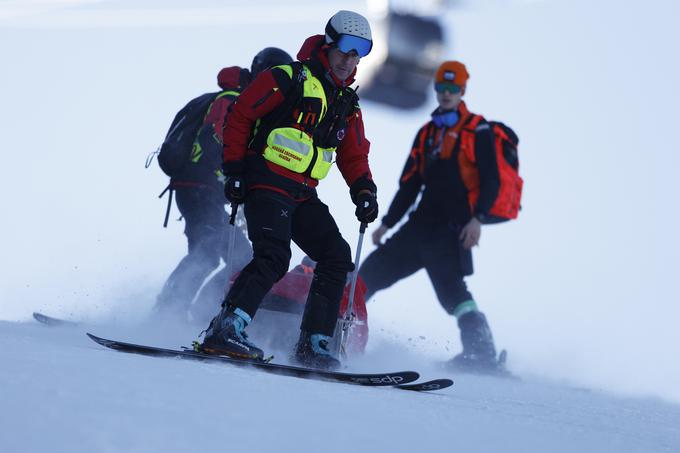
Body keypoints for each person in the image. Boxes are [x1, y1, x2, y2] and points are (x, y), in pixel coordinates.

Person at [198, 10, 379, 370]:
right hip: (265, 182)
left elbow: (353, 153)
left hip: (302, 193)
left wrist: (364, 190)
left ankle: (314, 343)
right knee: (274, 256)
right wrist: (234, 169)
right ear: (328, 45)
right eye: (345, 48)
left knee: (336, 258)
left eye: (360, 52)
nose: (350, 59)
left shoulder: (347, 103)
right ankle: (226, 327)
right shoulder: (288, 78)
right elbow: (240, 116)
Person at [359, 60, 503, 372]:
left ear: (463, 90)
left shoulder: (477, 129)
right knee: (368, 275)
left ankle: (482, 354)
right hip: (417, 228)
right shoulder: (427, 133)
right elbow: (409, 184)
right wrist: (387, 223)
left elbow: (492, 180)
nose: (446, 93)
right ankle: (337, 329)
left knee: (455, 295)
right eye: (441, 87)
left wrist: (477, 219)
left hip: (451, 232)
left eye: (453, 88)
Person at [154, 48, 293, 322]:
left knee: (237, 256)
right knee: (213, 253)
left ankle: (195, 310)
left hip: (203, 189)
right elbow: (216, 137)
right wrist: (231, 177)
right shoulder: (234, 100)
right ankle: (167, 312)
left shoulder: (240, 99)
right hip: (199, 187)